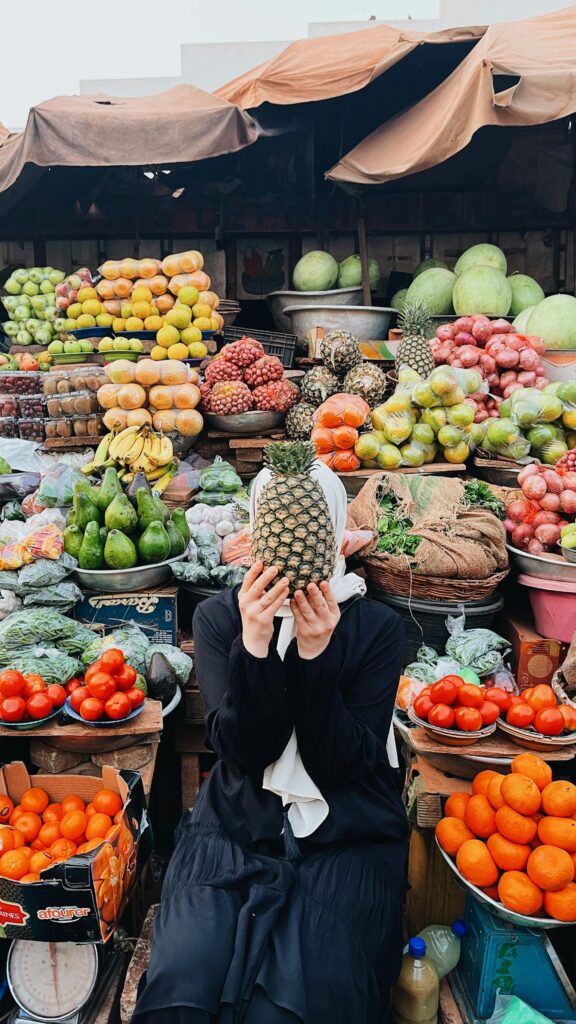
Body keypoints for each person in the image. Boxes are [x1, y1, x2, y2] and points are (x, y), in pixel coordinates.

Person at [133, 461, 408, 1024]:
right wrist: (254, 645)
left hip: (346, 827)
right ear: (257, 531)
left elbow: (342, 765)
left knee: (294, 1001)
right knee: (183, 987)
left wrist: (315, 657)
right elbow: (243, 752)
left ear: (335, 533)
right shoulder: (218, 618)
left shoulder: (376, 626)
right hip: (237, 818)